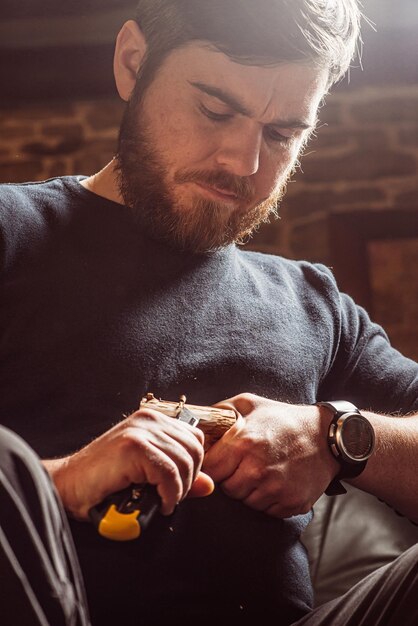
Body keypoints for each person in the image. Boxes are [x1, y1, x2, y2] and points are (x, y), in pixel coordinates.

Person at [0, 1, 417, 625]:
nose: (243, 163)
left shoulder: (313, 302)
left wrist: (339, 437)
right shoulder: (11, 233)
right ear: (133, 63)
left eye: (281, 135)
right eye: (215, 110)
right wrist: (55, 485)